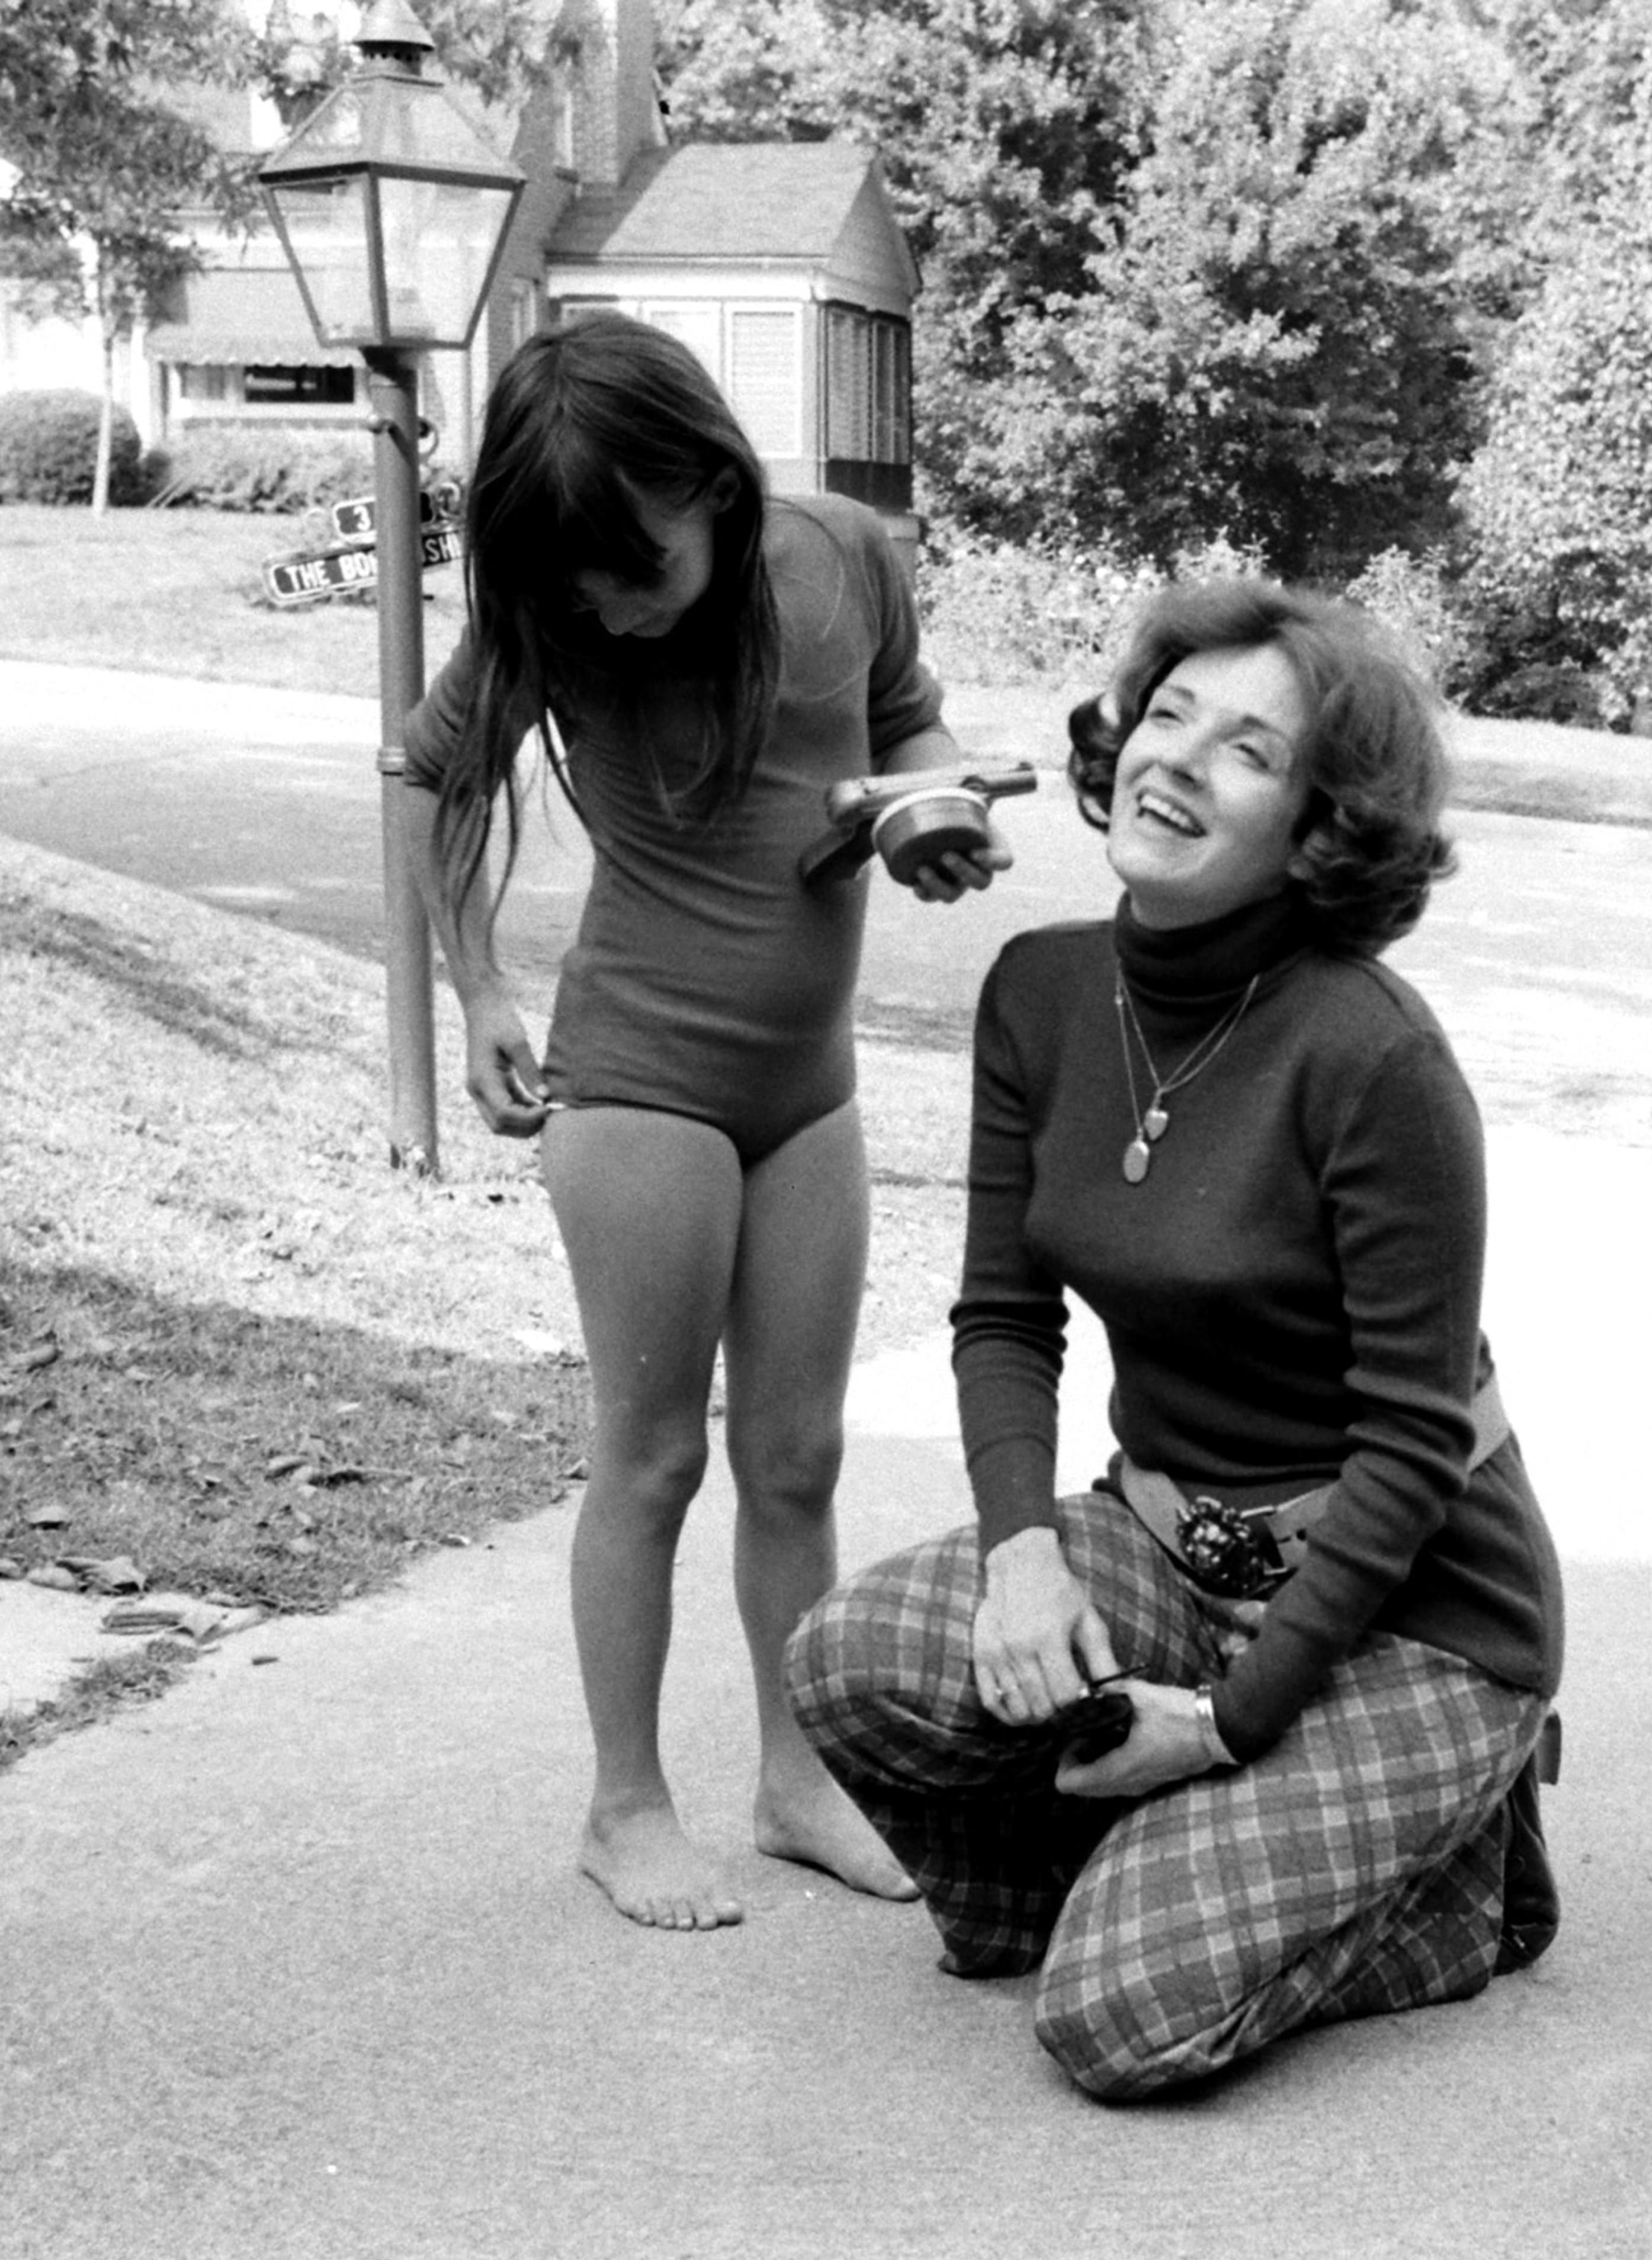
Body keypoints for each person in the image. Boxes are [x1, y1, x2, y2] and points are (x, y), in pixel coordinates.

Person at [786, 580, 1565, 2100]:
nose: (1178, 758)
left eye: (1249, 750)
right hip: (1167, 1548)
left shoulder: (1374, 1057)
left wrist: (1222, 1730)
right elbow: (1005, 1316)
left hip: (1416, 1614)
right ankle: (1159, 1874)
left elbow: (1413, 1443)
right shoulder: (1044, 991)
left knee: (1119, 2022)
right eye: (1168, 713)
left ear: (1322, 825)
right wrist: (1023, 1553)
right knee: (855, 1668)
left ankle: (1468, 1887)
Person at [401, 313, 1005, 1931]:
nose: (608, 601)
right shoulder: (558, 615)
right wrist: (475, 990)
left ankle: (800, 1782)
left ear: (715, 484)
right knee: (655, 1458)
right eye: (573, 582)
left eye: (638, 559)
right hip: (643, 1087)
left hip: (810, 1093)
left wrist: (928, 812)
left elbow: (907, 730)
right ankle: (624, 1804)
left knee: (797, 1458)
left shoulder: (843, 561)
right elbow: (428, 778)